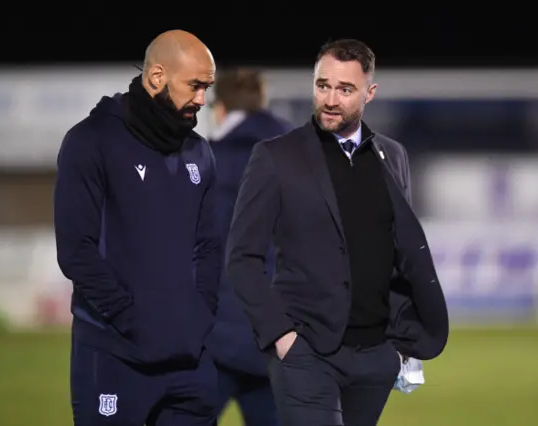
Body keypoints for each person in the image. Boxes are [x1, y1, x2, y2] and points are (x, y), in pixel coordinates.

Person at [225, 38, 450, 426]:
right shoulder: (275, 156)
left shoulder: (393, 157)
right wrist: (281, 337)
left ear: (369, 93)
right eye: (323, 85)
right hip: (305, 353)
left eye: (345, 90)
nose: (330, 99)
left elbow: (401, 255)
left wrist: (397, 348)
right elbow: (242, 256)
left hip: (375, 356)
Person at [53, 29, 222, 426]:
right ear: (158, 76)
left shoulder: (200, 151)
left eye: (207, 87)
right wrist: (133, 320)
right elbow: (76, 250)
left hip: (189, 363)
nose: (202, 98)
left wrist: (198, 316)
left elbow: (210, 246)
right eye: (194, 85)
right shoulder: (89, 141)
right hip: (115, 356)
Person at [204, 68, 292, 426]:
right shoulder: (299, 158)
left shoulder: (201, 163)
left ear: (219, 109)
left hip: (214, 336)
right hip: (278, 334)